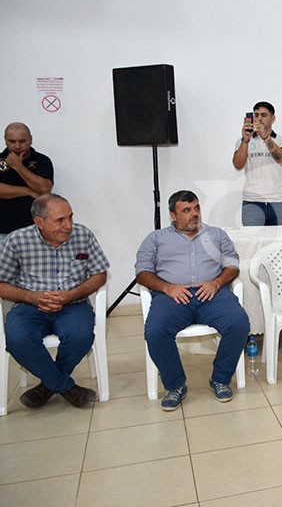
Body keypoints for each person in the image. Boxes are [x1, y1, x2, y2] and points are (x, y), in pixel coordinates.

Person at [135, 190, 250, 411]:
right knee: (155, 331)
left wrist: (216, 283)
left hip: (212, 294)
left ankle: (220, 379)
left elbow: (232, 265)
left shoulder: (217, 235)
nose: (194, 214)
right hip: (173, 296)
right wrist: (168, 288)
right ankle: (176, 385)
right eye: (186, 210)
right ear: (172, 215)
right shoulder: (156, 239)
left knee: (239, 323)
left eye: (196, 208)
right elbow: (142, 273)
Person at [0, 194, 109, 409]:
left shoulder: (83, 235)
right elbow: (1, 283)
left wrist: (71, 295)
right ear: (39, 222)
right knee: (18, 339)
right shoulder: (16, 240)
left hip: (73, 303)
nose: (68, 225)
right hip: (29, 306)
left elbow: (100, 275)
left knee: (80, 335)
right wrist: (32, 297)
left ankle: (47, 386)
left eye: (70, 217)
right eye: (60, 220)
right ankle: (65, 386)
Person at [232, 101, 282, 226]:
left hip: (278, 200)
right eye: (256, 115)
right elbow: (238, 165)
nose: (259, 119)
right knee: (253, 243)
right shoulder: (243, 141)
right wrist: (245, 140)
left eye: (264, 115)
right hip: (252, 200)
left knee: (279, 243)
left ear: (273, 118)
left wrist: (265, 137)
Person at [1, 122, 54, 243]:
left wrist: (18, 167)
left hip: (35, 229)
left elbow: (45, 189)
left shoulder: (42, 160)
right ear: (5, 140)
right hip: (3, 229)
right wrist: (28, 191)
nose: (17, 146)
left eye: (22, 141)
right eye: (12, 141)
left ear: (30, 139)